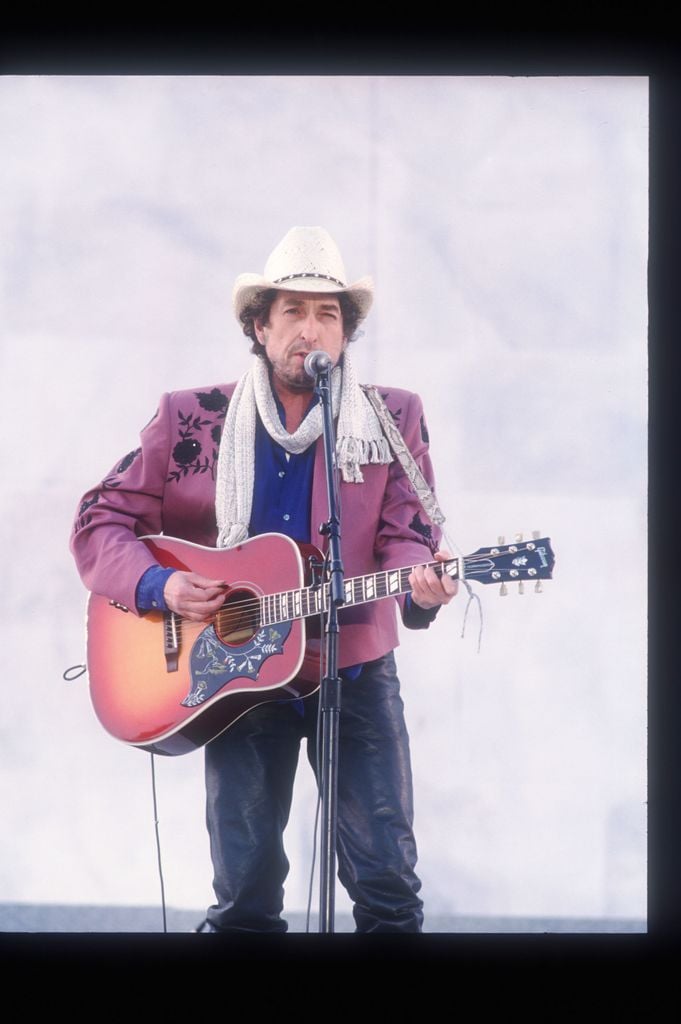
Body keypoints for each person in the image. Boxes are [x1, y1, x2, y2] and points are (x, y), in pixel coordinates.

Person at [70, 225, 457, 933]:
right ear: (258, 324)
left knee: (387, 885)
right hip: (233, 673)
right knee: (244, 894)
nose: (310, 329)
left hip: (356, 670)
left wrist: (418, 585)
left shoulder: (389, 417)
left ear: (346, 332)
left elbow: (406, 537)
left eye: (328, 313)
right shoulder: (192, 418)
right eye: (292, 311)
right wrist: (162, 589)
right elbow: (101, 522)